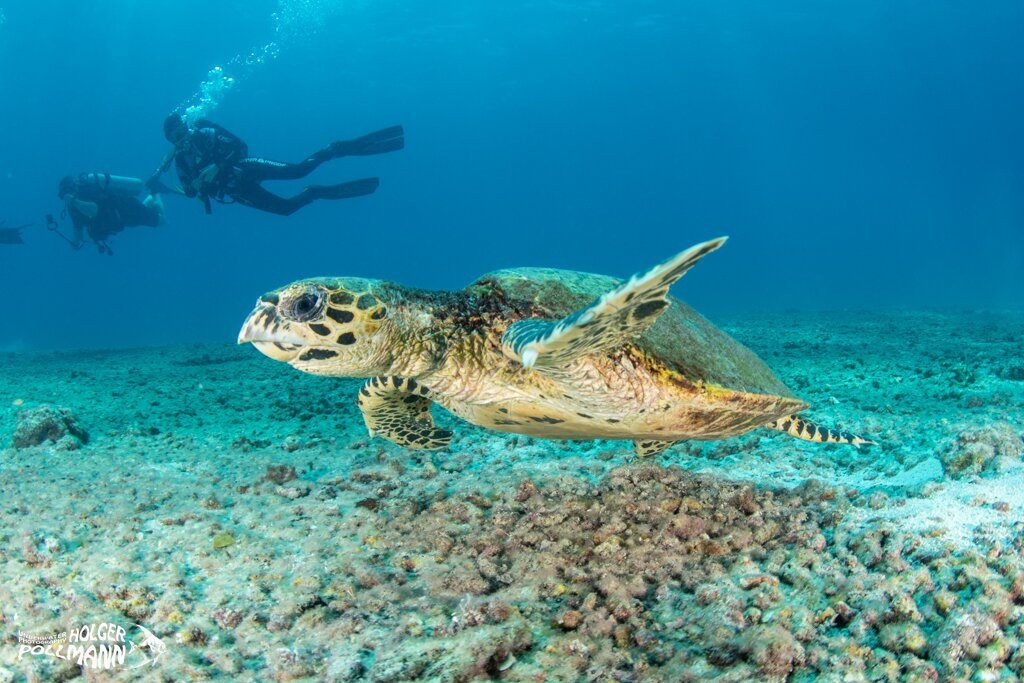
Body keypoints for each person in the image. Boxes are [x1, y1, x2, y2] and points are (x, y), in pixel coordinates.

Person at [149, 114, 404, 216]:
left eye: (182, 132)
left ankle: (335, 150)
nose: (182, 139)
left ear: (186, 126)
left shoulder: (205, 135)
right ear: (171, 140)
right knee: (286, 210)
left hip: (245, 167)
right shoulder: (181, 161)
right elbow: (192, 192)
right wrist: (196, 186)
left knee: (297, 171)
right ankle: (315, 192)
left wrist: (217, 166)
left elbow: (240, 146)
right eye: (176, 138)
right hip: (235, 190)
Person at [57, 173, 166, 254]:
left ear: (74, 188)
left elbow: (93, 210)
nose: (66, 196)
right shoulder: (73, 209)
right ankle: (150, 199)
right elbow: (78, 230)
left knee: (162, 221)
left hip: (126, 209)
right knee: (146, 217)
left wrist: (74, 201)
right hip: (118, 221)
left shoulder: (87, 191)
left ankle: (155, 195)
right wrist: (76, 243)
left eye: (67, 191)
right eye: (63, 195)